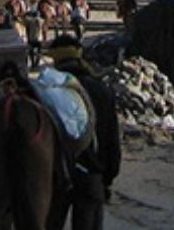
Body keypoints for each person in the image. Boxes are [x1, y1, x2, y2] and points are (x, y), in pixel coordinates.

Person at [47, 35, 121, 230]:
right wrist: (107, 178)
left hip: (56, 178)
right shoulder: (101, 89)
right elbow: (111, 139)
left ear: (55, 59)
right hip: (92, 176)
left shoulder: (47, 90)